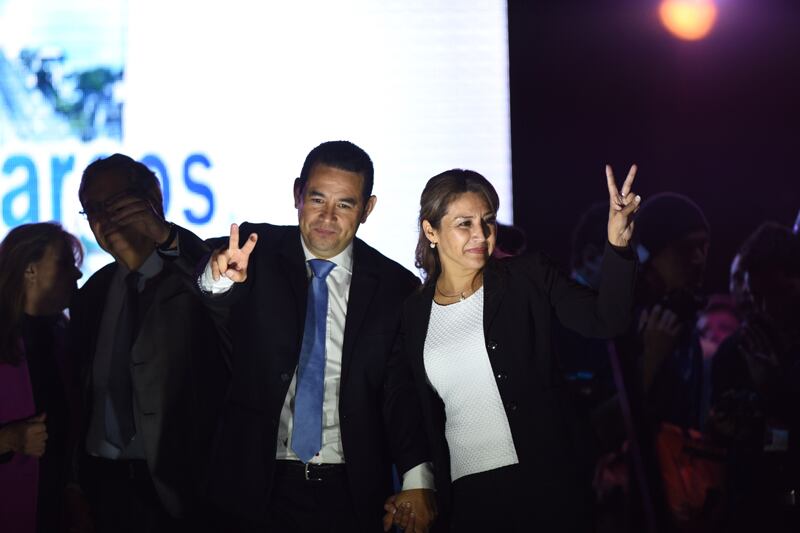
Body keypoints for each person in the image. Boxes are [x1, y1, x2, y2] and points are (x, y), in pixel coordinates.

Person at [180, 140, 436, 532]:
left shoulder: (394, 286)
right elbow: (213, 291)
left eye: (345, 204)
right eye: (317, 199)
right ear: (298, 194)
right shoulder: (254, 251)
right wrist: (218, 278)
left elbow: (399, 394)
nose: (327, 217)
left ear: (367, 209)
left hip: (350, 494)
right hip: (252, 488)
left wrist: (418, 479)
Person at [392, 165, 640, 531]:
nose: (480, 234)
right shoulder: (413, 313)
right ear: (431, 231)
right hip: (467, 498)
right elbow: (411, 406)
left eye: (487, 221)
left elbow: (607, 320)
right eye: (464, 224)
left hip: (547, 484)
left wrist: (617, 245)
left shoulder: (528, 277)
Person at [69, 154, 230, 532]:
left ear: (152, 201)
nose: (105, 217)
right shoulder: (92, 293)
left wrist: (166, 234)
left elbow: (225, 300)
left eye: (116, 203)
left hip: (179, 494)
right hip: (102, 488)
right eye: (93, 208)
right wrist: (73, 483)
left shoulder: (199, 278)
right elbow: (79, 394)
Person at [0, 222, 83, 533]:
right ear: (29, 269)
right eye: (64, 264)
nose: (77, 274)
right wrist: (7, 439)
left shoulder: (65, 338)